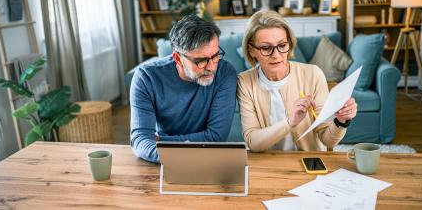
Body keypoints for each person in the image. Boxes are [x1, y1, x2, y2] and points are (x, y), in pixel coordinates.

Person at [237, 10, 357, 152]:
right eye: (266, 48)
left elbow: (328, 140)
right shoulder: (244, 82)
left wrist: (341, 121)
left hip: (309, 161)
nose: (276, 55)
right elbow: (253, 142)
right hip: (268, 163)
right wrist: (290, 122)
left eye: (282, 45)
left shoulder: (313, 74)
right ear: (251, 50)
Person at [130, 15, 237, 163]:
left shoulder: (225, 73)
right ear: (178, 58)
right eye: (201, 61)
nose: (212, 67)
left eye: (215, 56)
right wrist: (178, 154)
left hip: (208, 158)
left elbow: (216, 137)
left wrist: (162, 141)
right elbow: (140, 140)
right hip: (162, 163)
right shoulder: (146, 78)